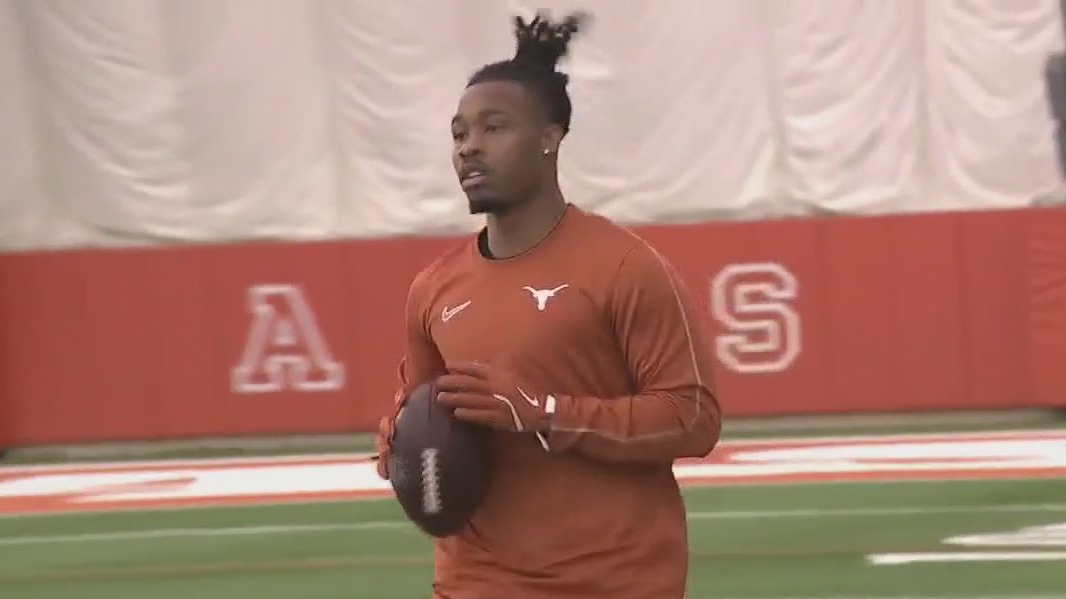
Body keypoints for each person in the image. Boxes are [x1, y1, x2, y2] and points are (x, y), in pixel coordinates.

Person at [375, 11, 722, 599]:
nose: (470, 147)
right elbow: (426, 411)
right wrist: (400, 443)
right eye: (459, 134)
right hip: (477, 579)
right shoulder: (432, 289)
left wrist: (545, 412)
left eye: (494, 128)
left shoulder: (626, 267)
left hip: (614, 581)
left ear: (549, 138)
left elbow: (693, 419)